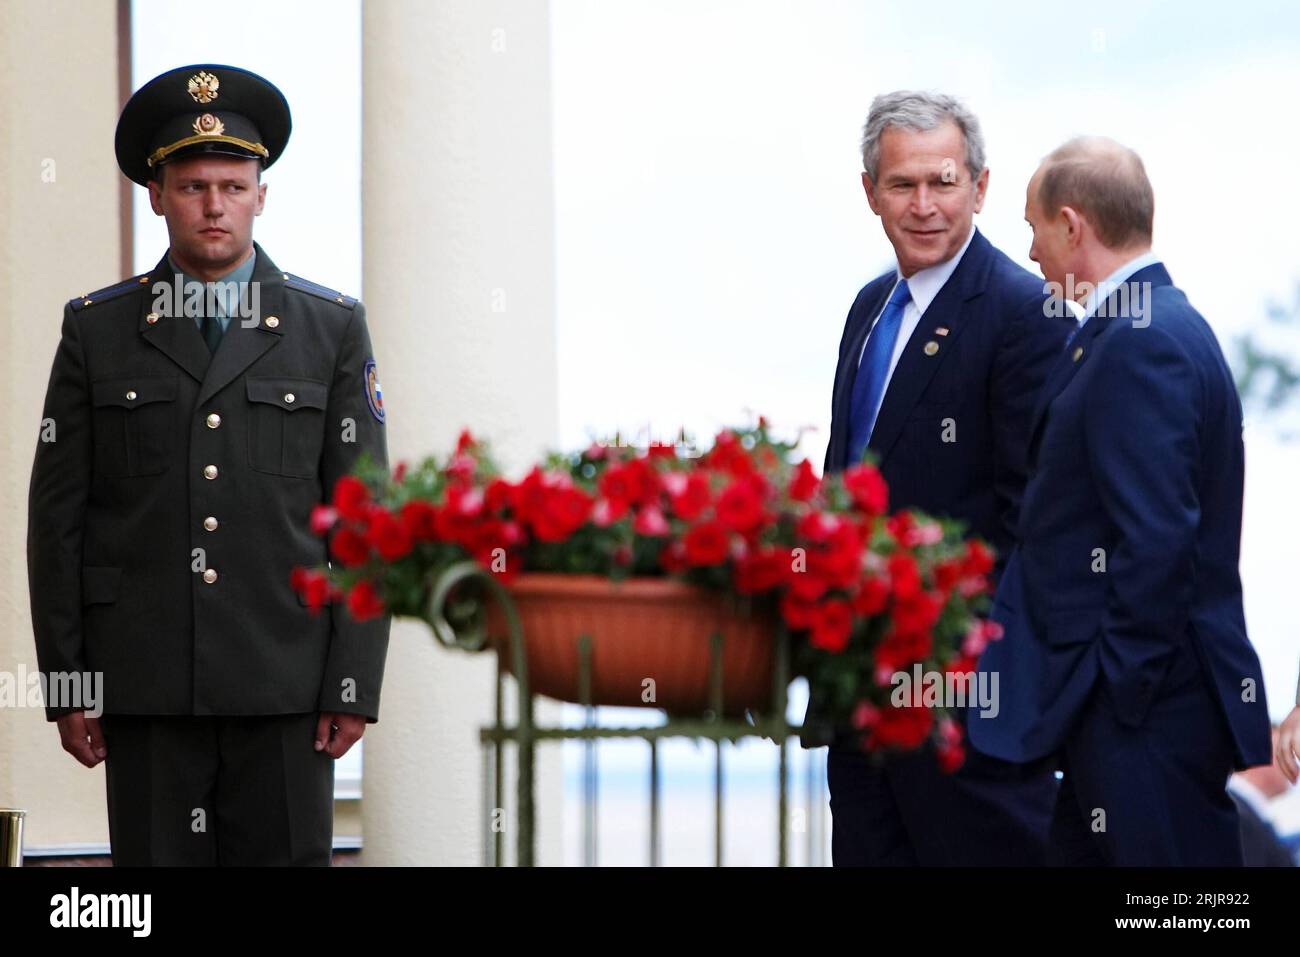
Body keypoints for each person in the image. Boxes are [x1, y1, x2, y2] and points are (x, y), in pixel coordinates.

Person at [27, 64, 390, 866]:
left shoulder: (329, 328)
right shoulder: (98, 331)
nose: (215, 204)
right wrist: (68, 682)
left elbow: (365, 522)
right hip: (146, 686)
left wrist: (352, 683)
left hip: (287, 687)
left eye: (233, 183)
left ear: (263, 194)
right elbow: (57, 521)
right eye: (193, 185)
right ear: (156, 195)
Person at [972, 136, 1273, 865]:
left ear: (1074, 226)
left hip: (1145, 716)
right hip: (1129, 713)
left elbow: (1157, 537)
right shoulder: (1149, 325)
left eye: (1034, 228)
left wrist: (1118, 691)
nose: (1032, 253)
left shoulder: (1140, 339)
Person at [814, 90, 1071, 866]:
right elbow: (847, 481)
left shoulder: (1027, 312)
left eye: (944, 182)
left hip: (965, 717)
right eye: (902, 185)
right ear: (870, 193)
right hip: (861, 703)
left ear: (982, 187)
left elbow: (1033, 523)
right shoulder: (868, 310)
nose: (924, 206)